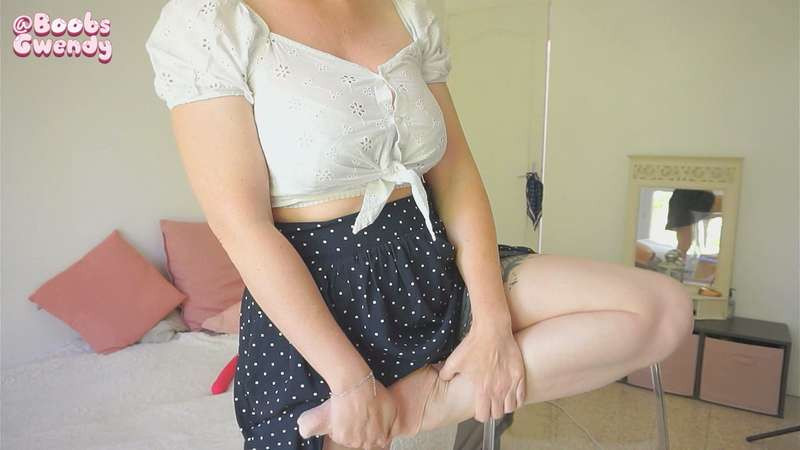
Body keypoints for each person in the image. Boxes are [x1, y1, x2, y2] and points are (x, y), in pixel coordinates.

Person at [144, 1, 695, 449]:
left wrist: (492, 323)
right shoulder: (211, 22)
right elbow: (241, 226)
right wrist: (350, 380)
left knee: (662, 310)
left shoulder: (406, 12)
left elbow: (456, 176)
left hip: (434, 264)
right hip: (325, 308)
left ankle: (431, 402)